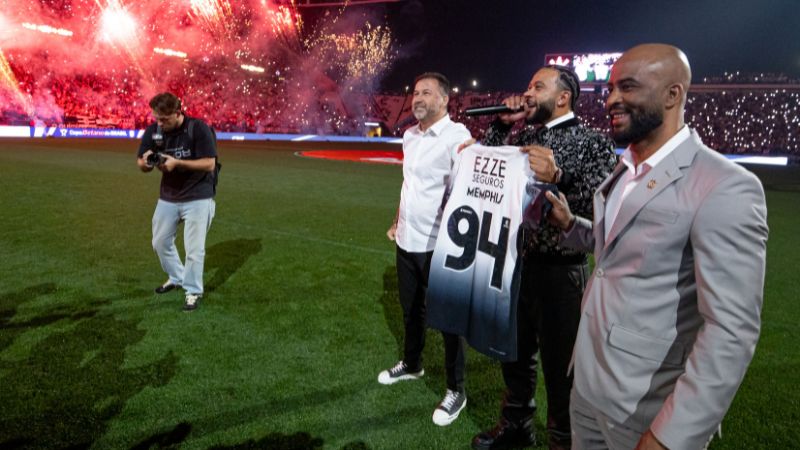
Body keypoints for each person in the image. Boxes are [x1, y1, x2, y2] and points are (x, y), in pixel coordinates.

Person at [546, 44, 769, 450]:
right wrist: (570, 226)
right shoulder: (627, 165)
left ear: (673, 95)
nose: (611, 99)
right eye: (611, 88)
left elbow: (731, 331)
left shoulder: (724, 185)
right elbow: (615, 253)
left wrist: (672, 435)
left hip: (648, 407)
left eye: (627, 87)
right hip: (588, 386)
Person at [472, 65, 617, 450]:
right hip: (516, 266)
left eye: (538, 85)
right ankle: (517, 423)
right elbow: (481, 177)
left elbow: (600, 210)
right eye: (528, 84)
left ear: (563, 96)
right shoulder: (526, 135)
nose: (528, 92)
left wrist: (560, 176)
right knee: (514, 354)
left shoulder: (593, 142)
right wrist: (502, 125)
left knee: (561, 367)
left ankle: (563, 439)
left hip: (561, 273)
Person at [380, 72, 472, 427]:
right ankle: (413, 363)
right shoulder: (410, 136)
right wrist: (397, 220)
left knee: (448, 321)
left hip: (440, 245)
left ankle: (456, 389)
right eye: (415, 92)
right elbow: (410, 186)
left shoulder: (457, 137)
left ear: (445, 100)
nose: (417, 98)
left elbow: (463, 191)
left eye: (426, 93)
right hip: (407, 239)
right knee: (410, 310)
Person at [137, 92, 219, 312]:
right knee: (160, 242)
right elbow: (141, 163)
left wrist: (177, 163)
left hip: (198, 196)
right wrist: (146, 163)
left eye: (164, 119)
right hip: (169, 196)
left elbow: (209, 163)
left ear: (178, 112)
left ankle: (193, 291)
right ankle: (176, 276)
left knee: (194, 249)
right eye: (157, 118)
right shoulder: (154, 130)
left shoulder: (198, 128)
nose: (159, 123)